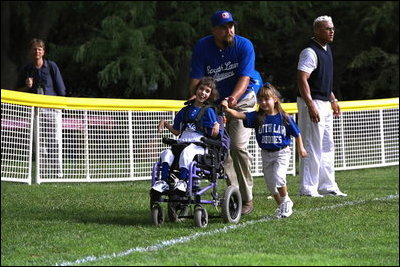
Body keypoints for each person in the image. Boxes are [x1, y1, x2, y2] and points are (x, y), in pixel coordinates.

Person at [189, 10, 260, 215]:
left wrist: (232, 100)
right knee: (222, 149)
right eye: (223, 27)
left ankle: (247, 198)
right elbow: (196, 79)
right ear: (214, 30)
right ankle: (234, 196)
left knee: (237, 146)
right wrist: (196, 97)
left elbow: (245, 79)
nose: (229, 30)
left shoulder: (244, 45)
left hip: (242, 99)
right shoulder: (203, 46)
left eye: (231, 26)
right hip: (217, 103)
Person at [222, 83, 307, 218]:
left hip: (281, 153)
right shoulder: (257, 117)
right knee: (271, 184)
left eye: (267, 99)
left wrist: (301, 148)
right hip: (266, 154)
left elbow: (296, 133)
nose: (263, 102)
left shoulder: (283, 117)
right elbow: (240, 115)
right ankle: (281, 206)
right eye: (260, 100)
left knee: (279, 178)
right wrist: (227, 109)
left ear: (275, 99)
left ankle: (286, 201)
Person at [296, 16, 347, 197]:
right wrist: (310, 105)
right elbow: (303, 79)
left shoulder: (327, 49)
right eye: (327, 29)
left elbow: (324, 79)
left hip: (324, 102)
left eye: (332, 28)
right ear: (317, 31)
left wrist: (332, 99)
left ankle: (327, 185)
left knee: (327, 145)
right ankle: (308, 187)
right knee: (312, 145)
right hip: (313, 102)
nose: (331, 31)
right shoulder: (310, 52)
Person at [152, 77, 220, 193]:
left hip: (199, 144)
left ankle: (183, 182)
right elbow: (177, 131)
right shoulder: (185, 110)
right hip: (182, 142)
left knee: (187, 152)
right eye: (201, 89)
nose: (203, 93)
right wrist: (165, 123)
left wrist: (217, 127)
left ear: (210, 95)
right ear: (196, 90)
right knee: (166, 153)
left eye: (207, 91)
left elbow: (214, 135)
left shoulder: (209, 111)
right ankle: (164, 182)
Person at [16, 38, 66, 178]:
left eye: (39, 49)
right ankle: (42, 172)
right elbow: (16, 92)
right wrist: (28, 86)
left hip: (52, 107)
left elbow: (61, 89)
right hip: (35, 109)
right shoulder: (26, 70)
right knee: (39, 141)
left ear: (43, 52)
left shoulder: (51, 66)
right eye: (34, 49)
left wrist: (59, 105)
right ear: (30, 51)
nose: (36, 51)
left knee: (55, 139)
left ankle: (57, 172)